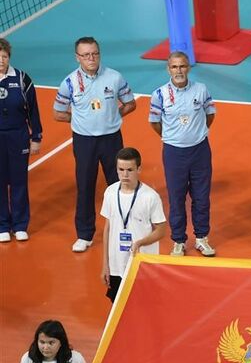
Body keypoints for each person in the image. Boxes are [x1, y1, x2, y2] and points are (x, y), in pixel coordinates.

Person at [53, 36, 136, 253]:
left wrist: (113, 116)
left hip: (112, 140)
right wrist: (82, 120)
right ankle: (84, 235)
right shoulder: (69, 82)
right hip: (84, 142)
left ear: (99, 54)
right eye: (86, 55)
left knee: (119, 185)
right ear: (77, 57)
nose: (91, 58)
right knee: (85, 186)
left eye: (94, 53)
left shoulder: (114, 77)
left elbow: (130, 103)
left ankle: (123, 230)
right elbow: (58, 113)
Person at [149, 51, 217, 257]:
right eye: (174, 67)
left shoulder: (201, 89)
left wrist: (197, 133)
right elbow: (155, 123)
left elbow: (210, 114)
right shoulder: (159, 94)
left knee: (201, 197)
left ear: (188, 68)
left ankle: (202, 238)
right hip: (174, 153)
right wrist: (173, 138)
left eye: (182, 66)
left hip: (199, 151)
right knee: (176, 198)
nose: (178, 70)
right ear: (168, 69)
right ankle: (178, 240)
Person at [99, 147, 167, 302]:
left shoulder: (150, 197)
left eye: (129, 170)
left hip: (142, 265)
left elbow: (161, 230)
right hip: (117, 266)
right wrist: (105, 264)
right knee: (118, 307)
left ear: (139, 169)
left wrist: (140, 243)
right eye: (121, 169)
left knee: (145, 306)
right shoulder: (110, 192)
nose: (125, 175)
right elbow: (108, 228)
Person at [0, 38, 42, 243]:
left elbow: (33, 110)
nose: (1, 60)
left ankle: (20, 225)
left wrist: (36, 137)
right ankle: (2, 225)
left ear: (9, 57)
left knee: (19, 181)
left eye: (4, 56)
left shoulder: (22, 78)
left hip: (18, 136)